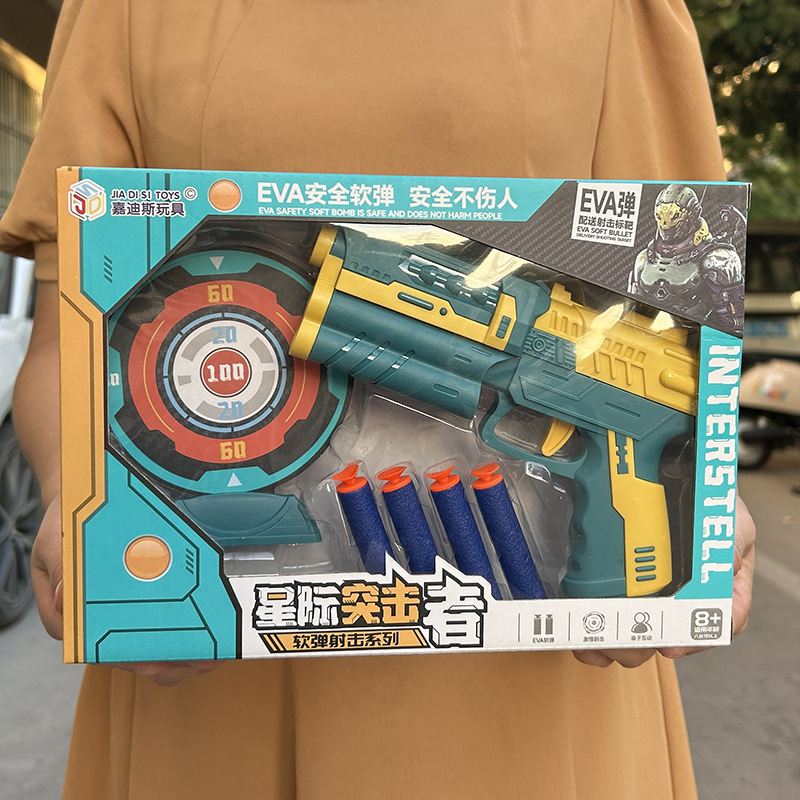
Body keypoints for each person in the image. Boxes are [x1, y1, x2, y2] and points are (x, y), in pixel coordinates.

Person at [0, 1, 756, 798]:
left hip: (540, 686)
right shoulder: (125, 9)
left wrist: (702, 523)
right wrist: (81, 507)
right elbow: (70, 339)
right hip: (211, 666)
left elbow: (688, 279)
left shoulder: (618, 11)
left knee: (622, 522)